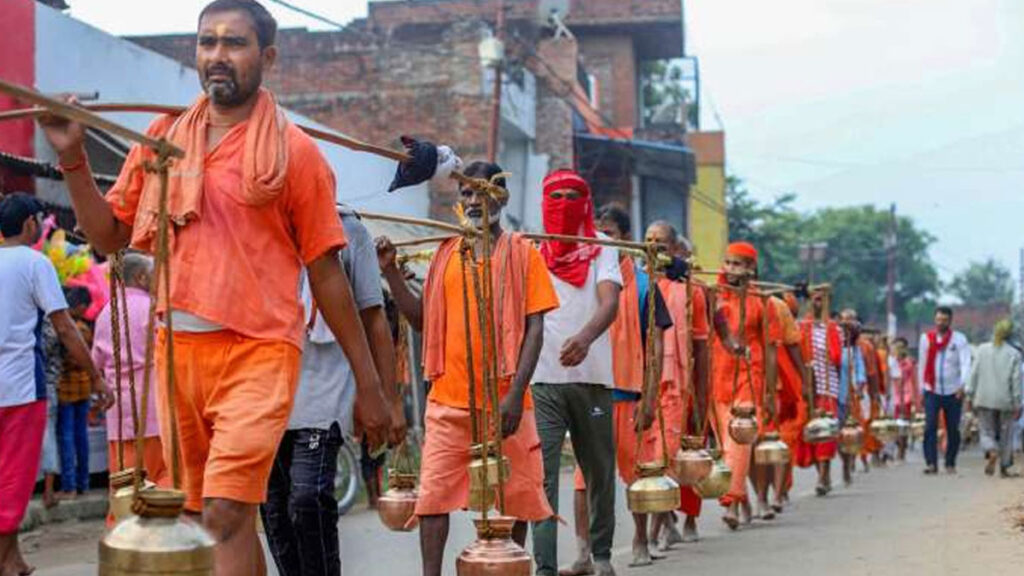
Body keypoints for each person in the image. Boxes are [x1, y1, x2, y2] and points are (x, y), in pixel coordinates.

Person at [38, 3, 393, 573]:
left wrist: (372, 386)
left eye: (235, 43)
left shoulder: (295, 153)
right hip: (176, 352)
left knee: (225, 510)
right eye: (208, 43)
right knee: (209, 516)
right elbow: (109, 235)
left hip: (260, 350)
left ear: (267, 56)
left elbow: (328, 275)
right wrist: (73, 157)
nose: (218, 56)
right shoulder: (162, 141)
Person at [379, 162, 558, 576]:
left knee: (518, 499)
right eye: (467, 194)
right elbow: (422, 320)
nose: (474, 201)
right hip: (449, 401)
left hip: (509, 402)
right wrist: (390, 271)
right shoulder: (445, 253)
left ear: (502, 197)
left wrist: (514, 396)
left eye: (483, 192)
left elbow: (535, 330)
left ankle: (509, 568)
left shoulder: (523, 254)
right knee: (433, 499)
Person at [262, 206, 404, 576]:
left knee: (307, 499)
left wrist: (386, 398)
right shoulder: (255, 219)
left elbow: (375, 318)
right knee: (274, 508)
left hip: (327, 385)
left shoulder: (347, 228)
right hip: (265, 383)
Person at [0, 193, 111, 576]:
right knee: (14, 474)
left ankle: (12, 556)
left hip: (12, 384)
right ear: (31, 224)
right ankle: (4, 560)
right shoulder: (35, 263)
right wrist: (95, 376)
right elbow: (64, 327)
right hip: (20, 385)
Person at [560, 205, 670, 573]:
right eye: (597, 233)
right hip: (591, 393)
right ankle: (583, 554)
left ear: (624, 238)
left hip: (630, 394)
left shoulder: (643, 285)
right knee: (583, 478)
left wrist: (650, 397)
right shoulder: (579, 279)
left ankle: (640, 539)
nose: (602, 241)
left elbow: (655, 346)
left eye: (609, 233)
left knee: (634, 475)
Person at [531, 170, 621, 576]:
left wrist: (585, 338)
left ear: (586, 203)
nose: (564, 204)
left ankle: (600, 556)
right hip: (544, 380)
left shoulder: (601, 246)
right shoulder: (532, 251)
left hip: (593, 378)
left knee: (600, 471)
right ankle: (545, 566)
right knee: (543, 477)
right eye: (556, 196)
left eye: (573, 196)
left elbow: (609, 302)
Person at [644, 221, 709, 548]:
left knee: (670, 456)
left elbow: (702, 346)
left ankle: (658, 531)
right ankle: (666, 521)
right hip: (642, 386)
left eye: (661, 242)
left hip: (677, 387)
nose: (655, 247)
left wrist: (702, 397)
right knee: (651, 459)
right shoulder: (637, 283)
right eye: (649, 241)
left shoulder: (692, 291)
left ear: (675, 249)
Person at [709, 242, 773, 529]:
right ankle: (743, 500)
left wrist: (771, 390)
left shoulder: (762, 300)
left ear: (750, 268)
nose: (730, 269)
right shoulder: (714, 296)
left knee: (740, 437)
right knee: (728, 445)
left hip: (750, 374)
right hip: (718, 376)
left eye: (738, 264)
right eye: (728, 263)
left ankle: (732, 502)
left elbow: (770, 347)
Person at [92, 253, 168, 488]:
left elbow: (97, 360)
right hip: (153, 405)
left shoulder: (106, 312)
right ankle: (160, 522)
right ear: (141, 277)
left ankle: (124, 521)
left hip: (119, 410)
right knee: (161, 474)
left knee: (124, 479)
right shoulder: (153, 309)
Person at [797, 290, 842, 495]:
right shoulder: (801, 326)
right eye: (814, 299)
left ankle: (823, 476)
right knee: (811, 432)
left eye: (822, 300)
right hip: (807, 386)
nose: (817, 304)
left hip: (828, 386)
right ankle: (822, 474)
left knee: (826, 430)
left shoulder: (834, 329)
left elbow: (838, 358)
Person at [764, 293, 806, 511]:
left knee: (782, 442)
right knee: (760, 447)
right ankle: (764, 496)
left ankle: (778, 493)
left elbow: (797, 352)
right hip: (752, 384)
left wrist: (806, 384)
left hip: (784, 389)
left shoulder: (778, 308)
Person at [918, 306, 971, 475]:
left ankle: (950, 462)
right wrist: (921, 389)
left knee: (953, 429)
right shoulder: (926, 339)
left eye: (945, 320)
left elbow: (965, 363)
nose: (941, 323)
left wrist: (963, 385)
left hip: (953, 390)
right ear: (935, 320)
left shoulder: (959, 339)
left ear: (950, 321)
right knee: (930, 427)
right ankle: (931, 463)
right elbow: (922, 363)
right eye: (939, 320)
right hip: (931, 389)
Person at [966, 319, 1023, 477]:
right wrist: (1018, 403)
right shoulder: (1014, 354)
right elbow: (1016, 381)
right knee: (1006, 434)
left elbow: (974, 374)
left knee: (986, 431)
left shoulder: (982, 350)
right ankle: (1004, 468)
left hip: (983, 398)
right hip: (1005, 401)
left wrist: (969, 394)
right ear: (1010, 334)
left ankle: (991, 450)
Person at [56, 286, 95, 500]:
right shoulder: (85, 329)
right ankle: (83, 483)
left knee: (66, 437)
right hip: (84, 388)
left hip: (66, 389)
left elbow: (68, 360)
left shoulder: (70, 329)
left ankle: (69, 486)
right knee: (81, 437)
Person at [837, 310, 867, 487]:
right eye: (844, 320)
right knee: (837, 435)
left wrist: (859, 389)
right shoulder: (832, 344)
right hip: (834, 395)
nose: (846, 323)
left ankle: (847, 465)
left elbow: (861, 372)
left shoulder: (855, 349)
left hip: (850, 396)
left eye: (850, 320)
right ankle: (844, 463)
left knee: (849, 434)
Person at [891, 337, 919, 460]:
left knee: (904, 424)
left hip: (907, 396)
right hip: (893, 395)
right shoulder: (891, 362)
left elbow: (914, 381)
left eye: (902, 347)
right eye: (897, 347)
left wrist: (916, 400)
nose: (899, 349)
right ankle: (897, 445)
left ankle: (901, 451)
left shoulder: (910, 363)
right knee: (894, 425)